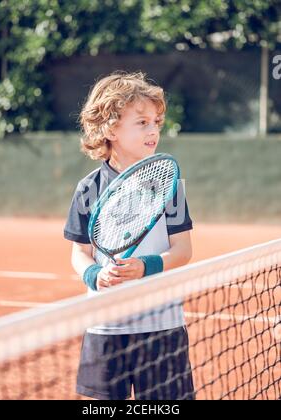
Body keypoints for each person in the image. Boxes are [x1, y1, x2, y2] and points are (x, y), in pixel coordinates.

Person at [64, 71, 195, 400]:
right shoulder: (88, 189)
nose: (154, 131)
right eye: (142, 123)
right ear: (110, 128)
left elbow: (183, 250)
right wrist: (94, 274)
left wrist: (146, 265)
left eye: (156, 122)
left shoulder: (170, 186)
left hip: (161, 325)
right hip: (106, 326)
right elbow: (79, 252)